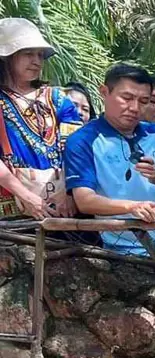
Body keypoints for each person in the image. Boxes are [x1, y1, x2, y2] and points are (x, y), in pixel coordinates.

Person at [63, 64, 155, 260]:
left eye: (143, 101)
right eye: (126, 98)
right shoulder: (82, 141)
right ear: (104, 92)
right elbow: (84, 200)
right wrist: (131, 207)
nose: (134, 108)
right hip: (126, 252)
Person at [0, 18, 82, 219]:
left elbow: (77, 147)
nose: (36, 61)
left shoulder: (58, 99)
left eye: (40, 55)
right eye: (28, 54)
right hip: (13, 209)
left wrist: (70, 192)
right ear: (7, 57)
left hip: (65, 205)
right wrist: (26, 196)